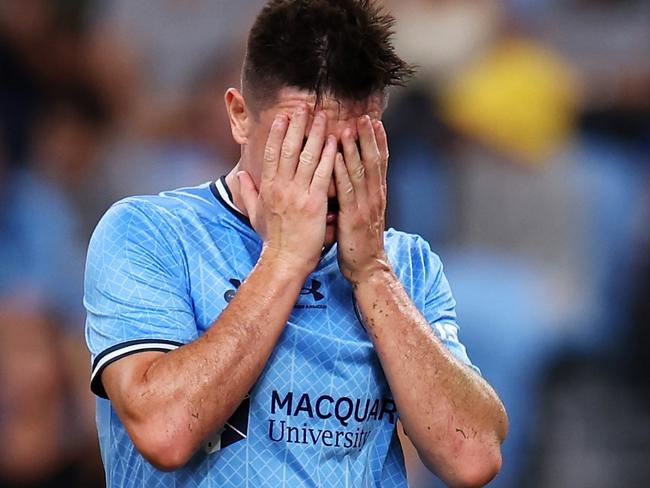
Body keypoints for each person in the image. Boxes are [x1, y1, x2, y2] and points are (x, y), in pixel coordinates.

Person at [84, 1, 508, 487]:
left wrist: (371, 274)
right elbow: (165, 432)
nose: (327, 174)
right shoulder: (149, 233)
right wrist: (285, 260)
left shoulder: (405, 265)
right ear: (240, 116)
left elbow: (472, 457)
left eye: (350, 148)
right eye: (305, 143)